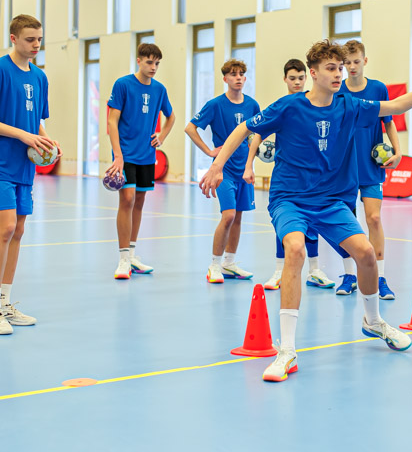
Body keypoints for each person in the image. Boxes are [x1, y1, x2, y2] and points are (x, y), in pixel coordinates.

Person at [200, 39, 412, 383]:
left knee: (366, 253)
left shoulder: (350, 106)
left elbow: (397, 105)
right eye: (331, 69)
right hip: (290, 198)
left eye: (341, 68)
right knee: (295, 249)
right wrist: (217, 165)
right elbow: (245, 128)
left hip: (332, 200)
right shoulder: (289, 106)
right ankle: (287, 351)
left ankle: (373, 321)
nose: (339, 74)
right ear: (314, 73)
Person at [0, 14, 57, 334]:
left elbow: (36, 122)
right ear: (14, 38)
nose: (36, 45)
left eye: (39, 39)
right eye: (30, 39)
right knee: (5, 227)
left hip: (24, 166)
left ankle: (5, 302)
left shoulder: (40, 77)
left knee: (18, 230)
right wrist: (22, 135)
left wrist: (46, 141)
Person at [246, 58, 340, 291]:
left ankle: (315, 270)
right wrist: (249, 165)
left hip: (315, 179)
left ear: (307, 77)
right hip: (288, 179)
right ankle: (279, 271)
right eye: (292, 78)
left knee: (313, 224)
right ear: (285, 79)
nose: (297, 82)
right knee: (286, 226)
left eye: (300, 78)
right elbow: (257, 133)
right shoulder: (283, 106)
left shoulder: (316, 104)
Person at [185, 59, 259, 284]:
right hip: (223, 170)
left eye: (241, 74)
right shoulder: (215, 104)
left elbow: (257, 133)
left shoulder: (252, 105)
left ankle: (229, 263)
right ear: (225, 78)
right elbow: (190, 128)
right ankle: (214, 265)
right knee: (228, 216)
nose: (238, 78)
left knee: (238, 217)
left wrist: (251, 161)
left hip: (243, 170)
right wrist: (209, 151)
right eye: (233, 74)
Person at [106, 42, 176, 280]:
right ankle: (123, 258)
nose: (153, 67)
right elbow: (112, 121)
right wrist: (117, 155)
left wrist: (162, 136)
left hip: (147, 155)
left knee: (139, 201)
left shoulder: (159, 89)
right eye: (149, 62)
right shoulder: (123, 84)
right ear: (139, 61)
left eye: (157, 63)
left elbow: (171, 116)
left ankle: (133, 255)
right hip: (125, 154)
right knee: (126, 199)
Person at [341, 40, 401, 298]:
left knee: (374, 219)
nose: (352, 67)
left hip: (370, 166)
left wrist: (398, 151)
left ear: (365, 61)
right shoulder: (337, 90)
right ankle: (349, 275)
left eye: (356, 61)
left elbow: (389, 122)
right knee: (346, 223)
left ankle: (380, 277)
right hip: (342, 168)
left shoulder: (378, 89)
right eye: (347, 63)